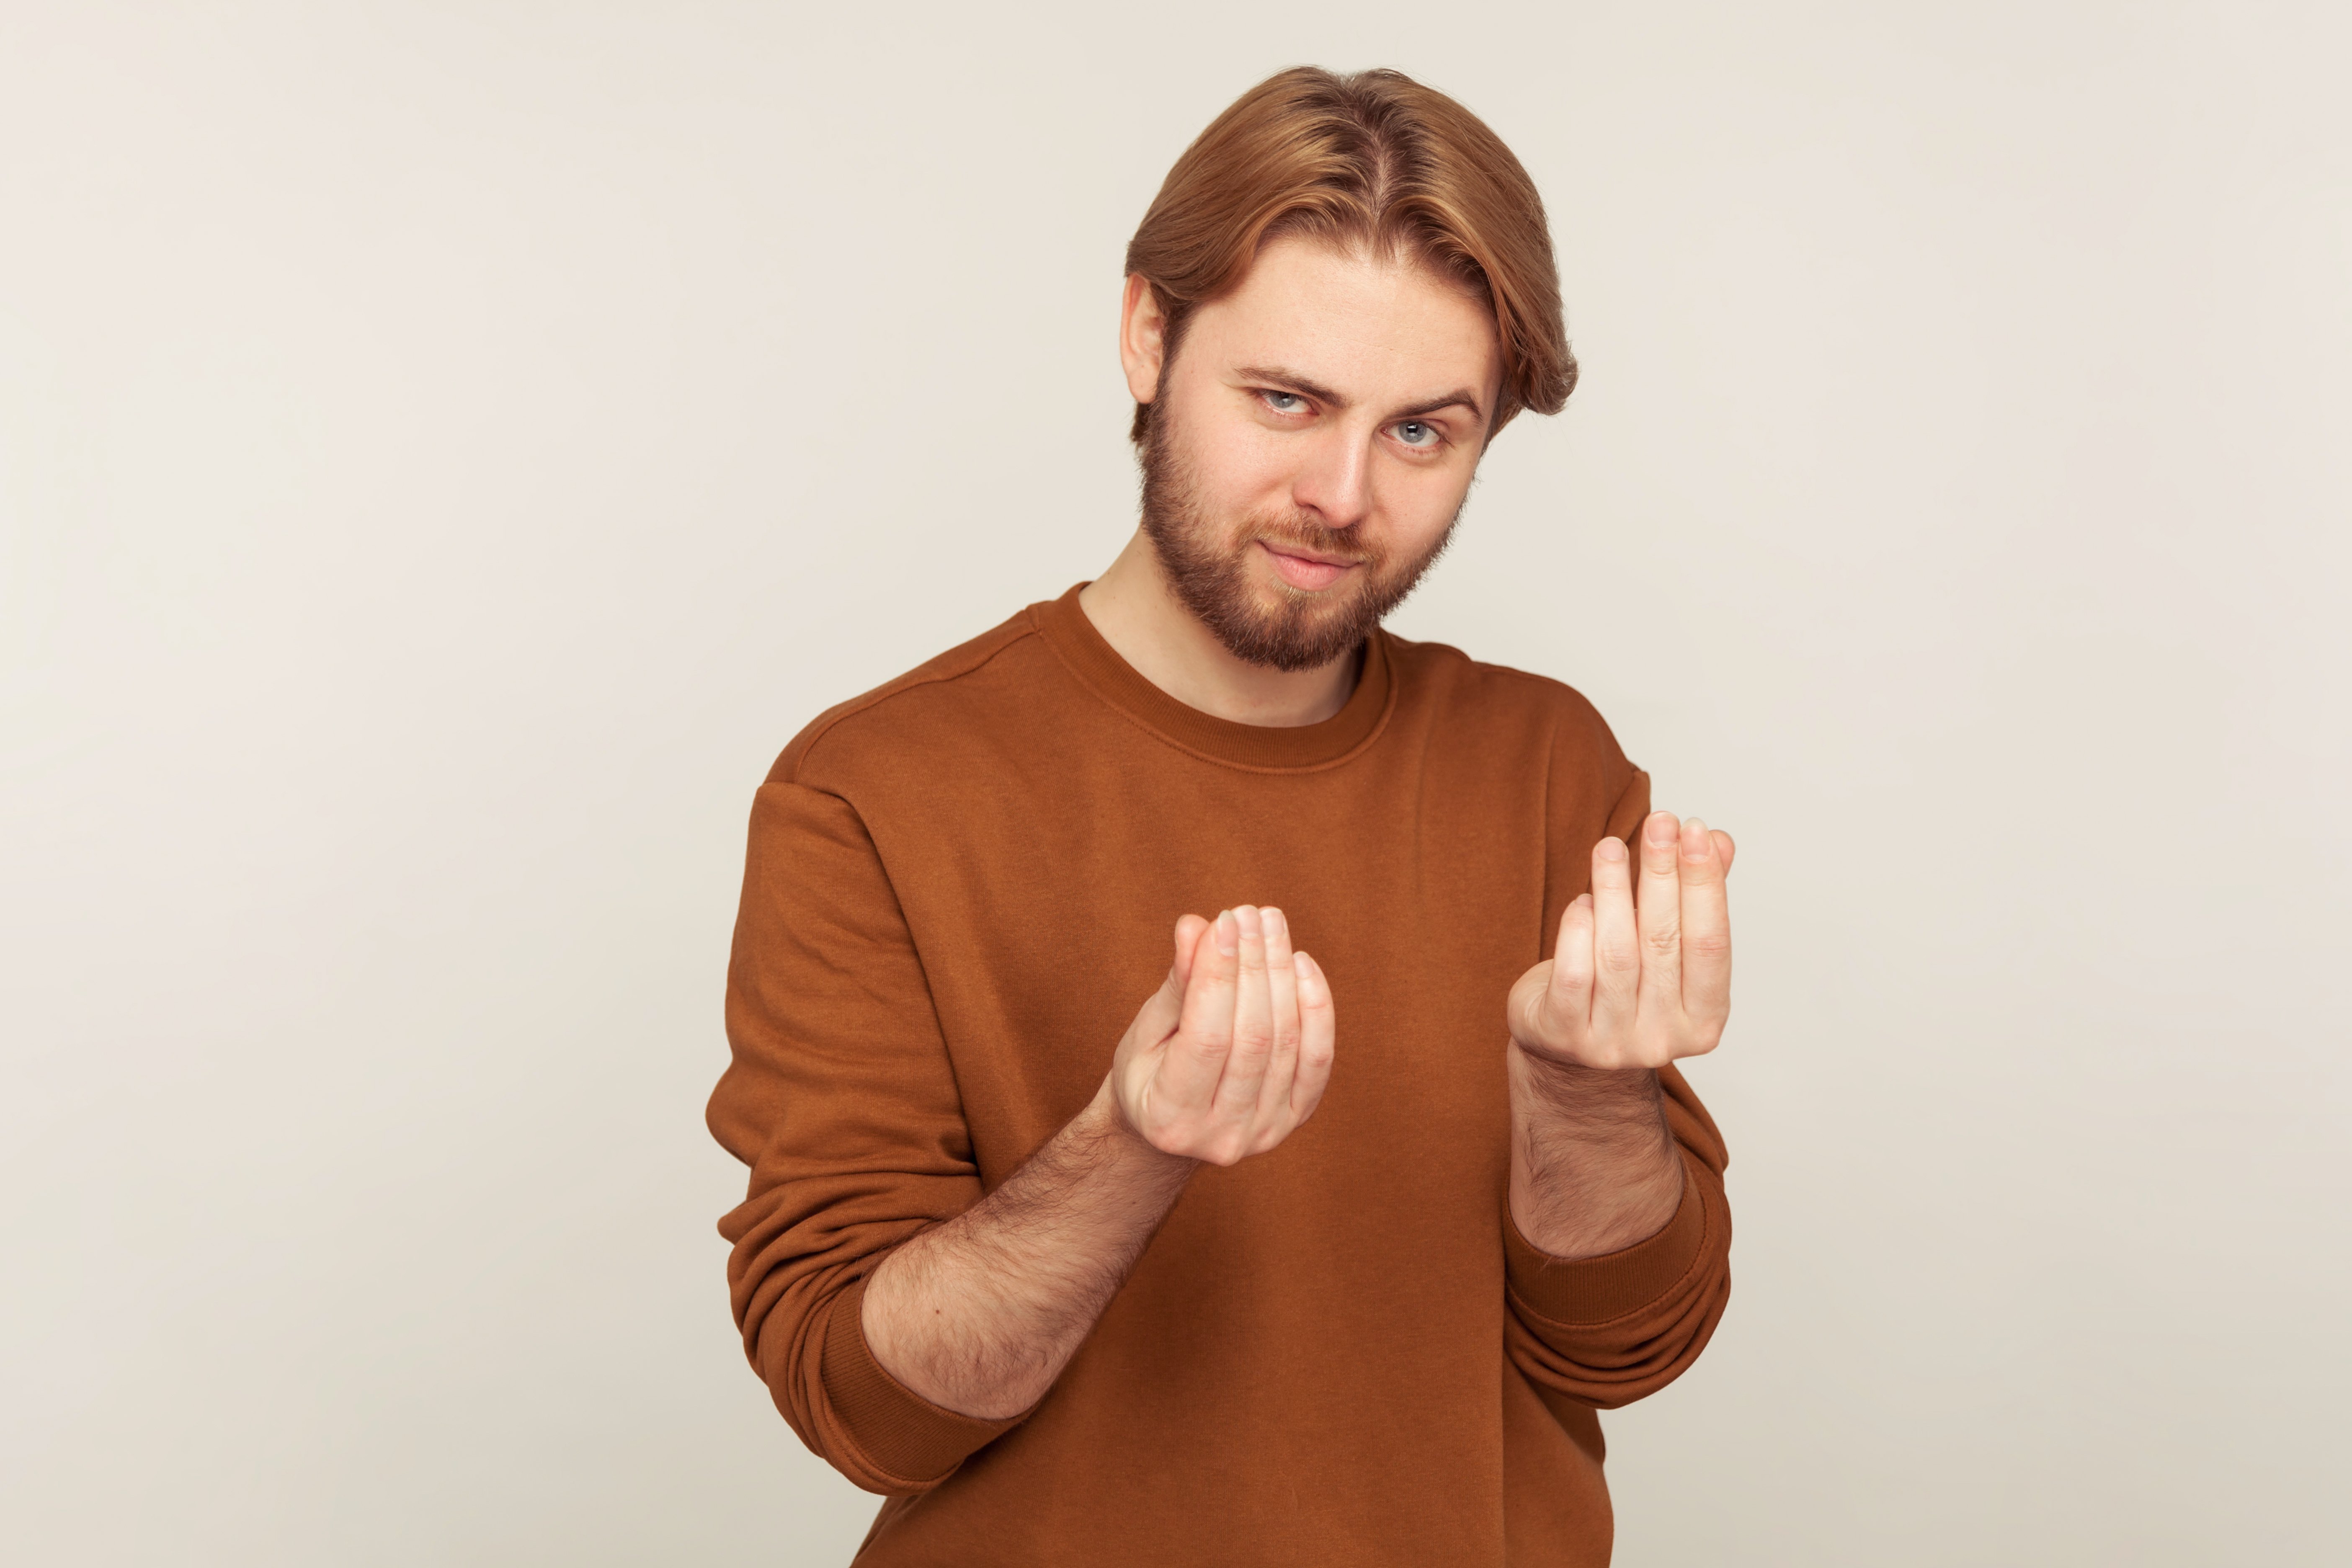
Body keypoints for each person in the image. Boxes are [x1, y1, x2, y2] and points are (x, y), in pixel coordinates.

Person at [708, 65, 1735, 1567]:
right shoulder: (872, 792)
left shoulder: (1546, 767)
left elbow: (1628, 1347)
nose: (1342, 494)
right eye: (1287, 401)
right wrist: (1130, 1147)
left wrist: (1583, 1095)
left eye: (1422, 432)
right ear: (1148, 336)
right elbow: (869, 1411)